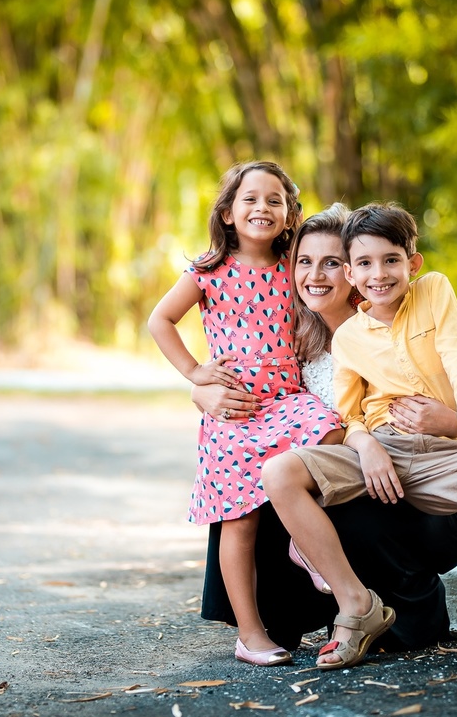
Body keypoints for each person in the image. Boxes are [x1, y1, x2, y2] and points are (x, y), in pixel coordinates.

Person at [262, 202, 457, 671]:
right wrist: (369, 445)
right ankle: (357, 607)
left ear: (412, 263)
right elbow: (350, 413)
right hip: (384, 450)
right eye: (364, 263)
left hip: (443, 453)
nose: (378, 274)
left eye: (390, 260)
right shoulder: (348, 339)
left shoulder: (434, 291)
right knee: (279, 473)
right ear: (352, 276)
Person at [193, 203, 457, 654]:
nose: (316, 275)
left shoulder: (393, 317)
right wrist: (204, 393)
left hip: (417, 490)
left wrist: (451, 421)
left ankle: (400, 606)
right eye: (305, 261)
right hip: (356, 483)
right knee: (254, 480)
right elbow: (247, 397)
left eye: (332, 262)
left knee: (320, 489)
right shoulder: (292, 340)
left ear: (353, 272)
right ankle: (274, 621)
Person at [147, 161, 343, 666]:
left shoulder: (294, 265)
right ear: (229, 212)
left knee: (330, 431)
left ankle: (304, 544)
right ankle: (251, 634)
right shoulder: (208, 270)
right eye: (250, 199)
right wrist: (196, 375)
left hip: (285, 400)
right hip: (233, 409)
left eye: (274, 200)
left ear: (289, 213)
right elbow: (160, 319)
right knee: (240, 522)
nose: (262, 208)